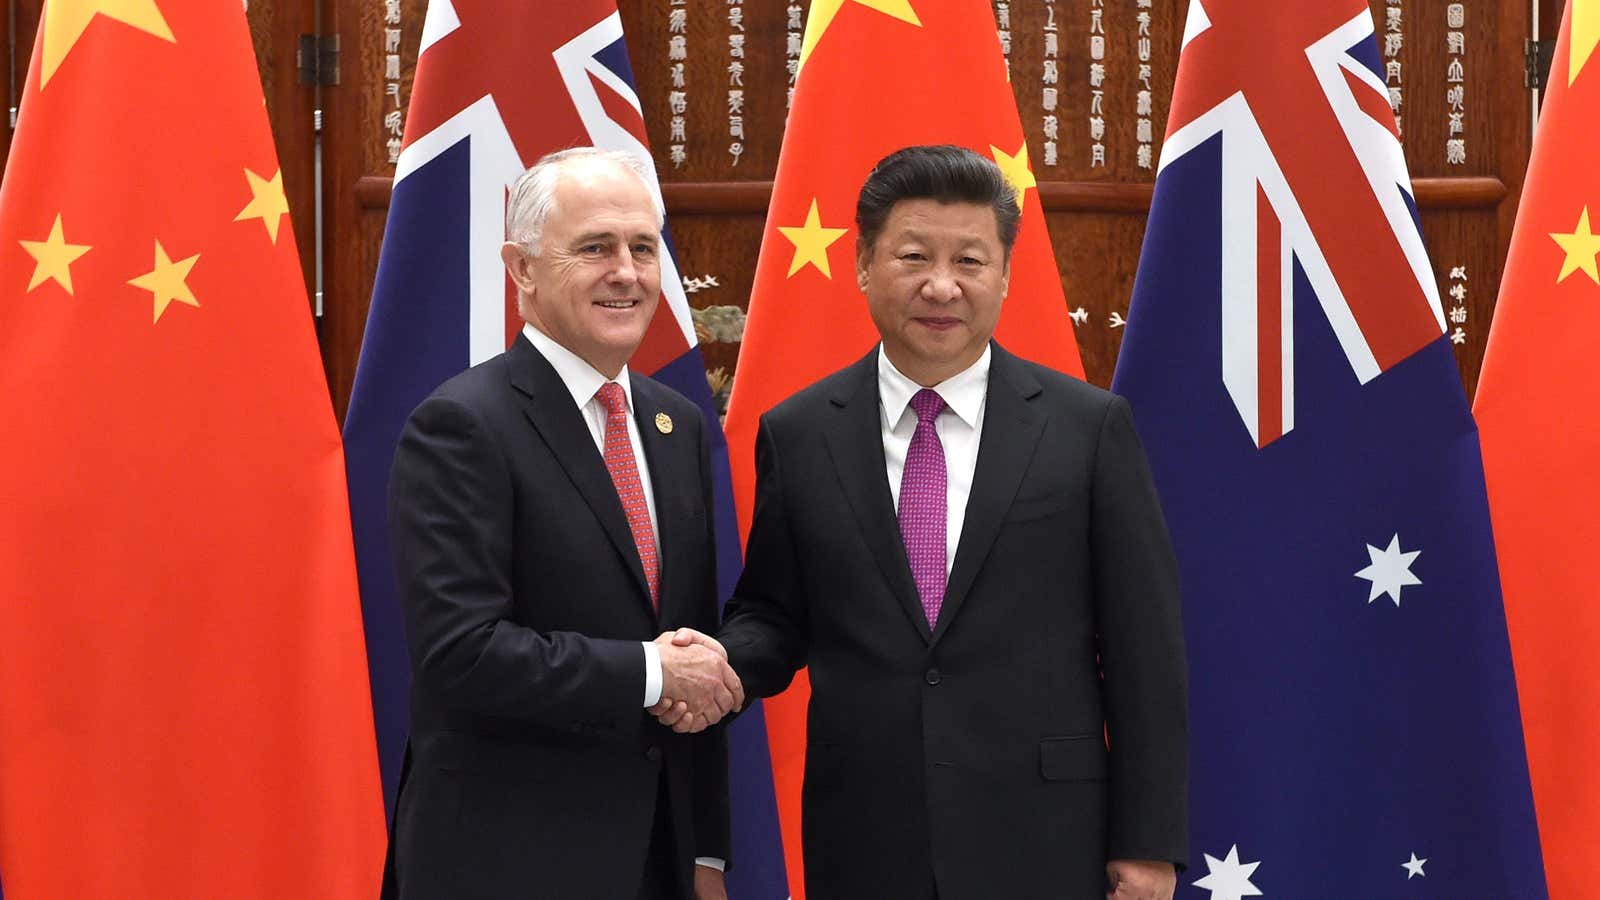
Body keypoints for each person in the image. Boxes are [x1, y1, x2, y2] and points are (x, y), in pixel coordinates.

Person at [692, 145, 1188, 899]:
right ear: (862, 263)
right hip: (866, 833)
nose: (942, 286)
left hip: (1048, 834)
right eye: (914, 255)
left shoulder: (1086, 428)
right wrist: (714, 668)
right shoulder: (799, 432)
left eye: (970, 260)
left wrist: (1148, 846)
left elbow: (1143, 650)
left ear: (1005, 274)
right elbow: (774, 612)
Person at [383, 147, 741, 900]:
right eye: (596, 248)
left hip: (659, 861)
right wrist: (650, 673)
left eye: (643, 248)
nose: (628, 272)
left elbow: (692, 643)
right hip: (509, 861)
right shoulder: (463, 426)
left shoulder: (674, 426)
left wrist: (706, 850)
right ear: (522, 270)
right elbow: (461, 651)